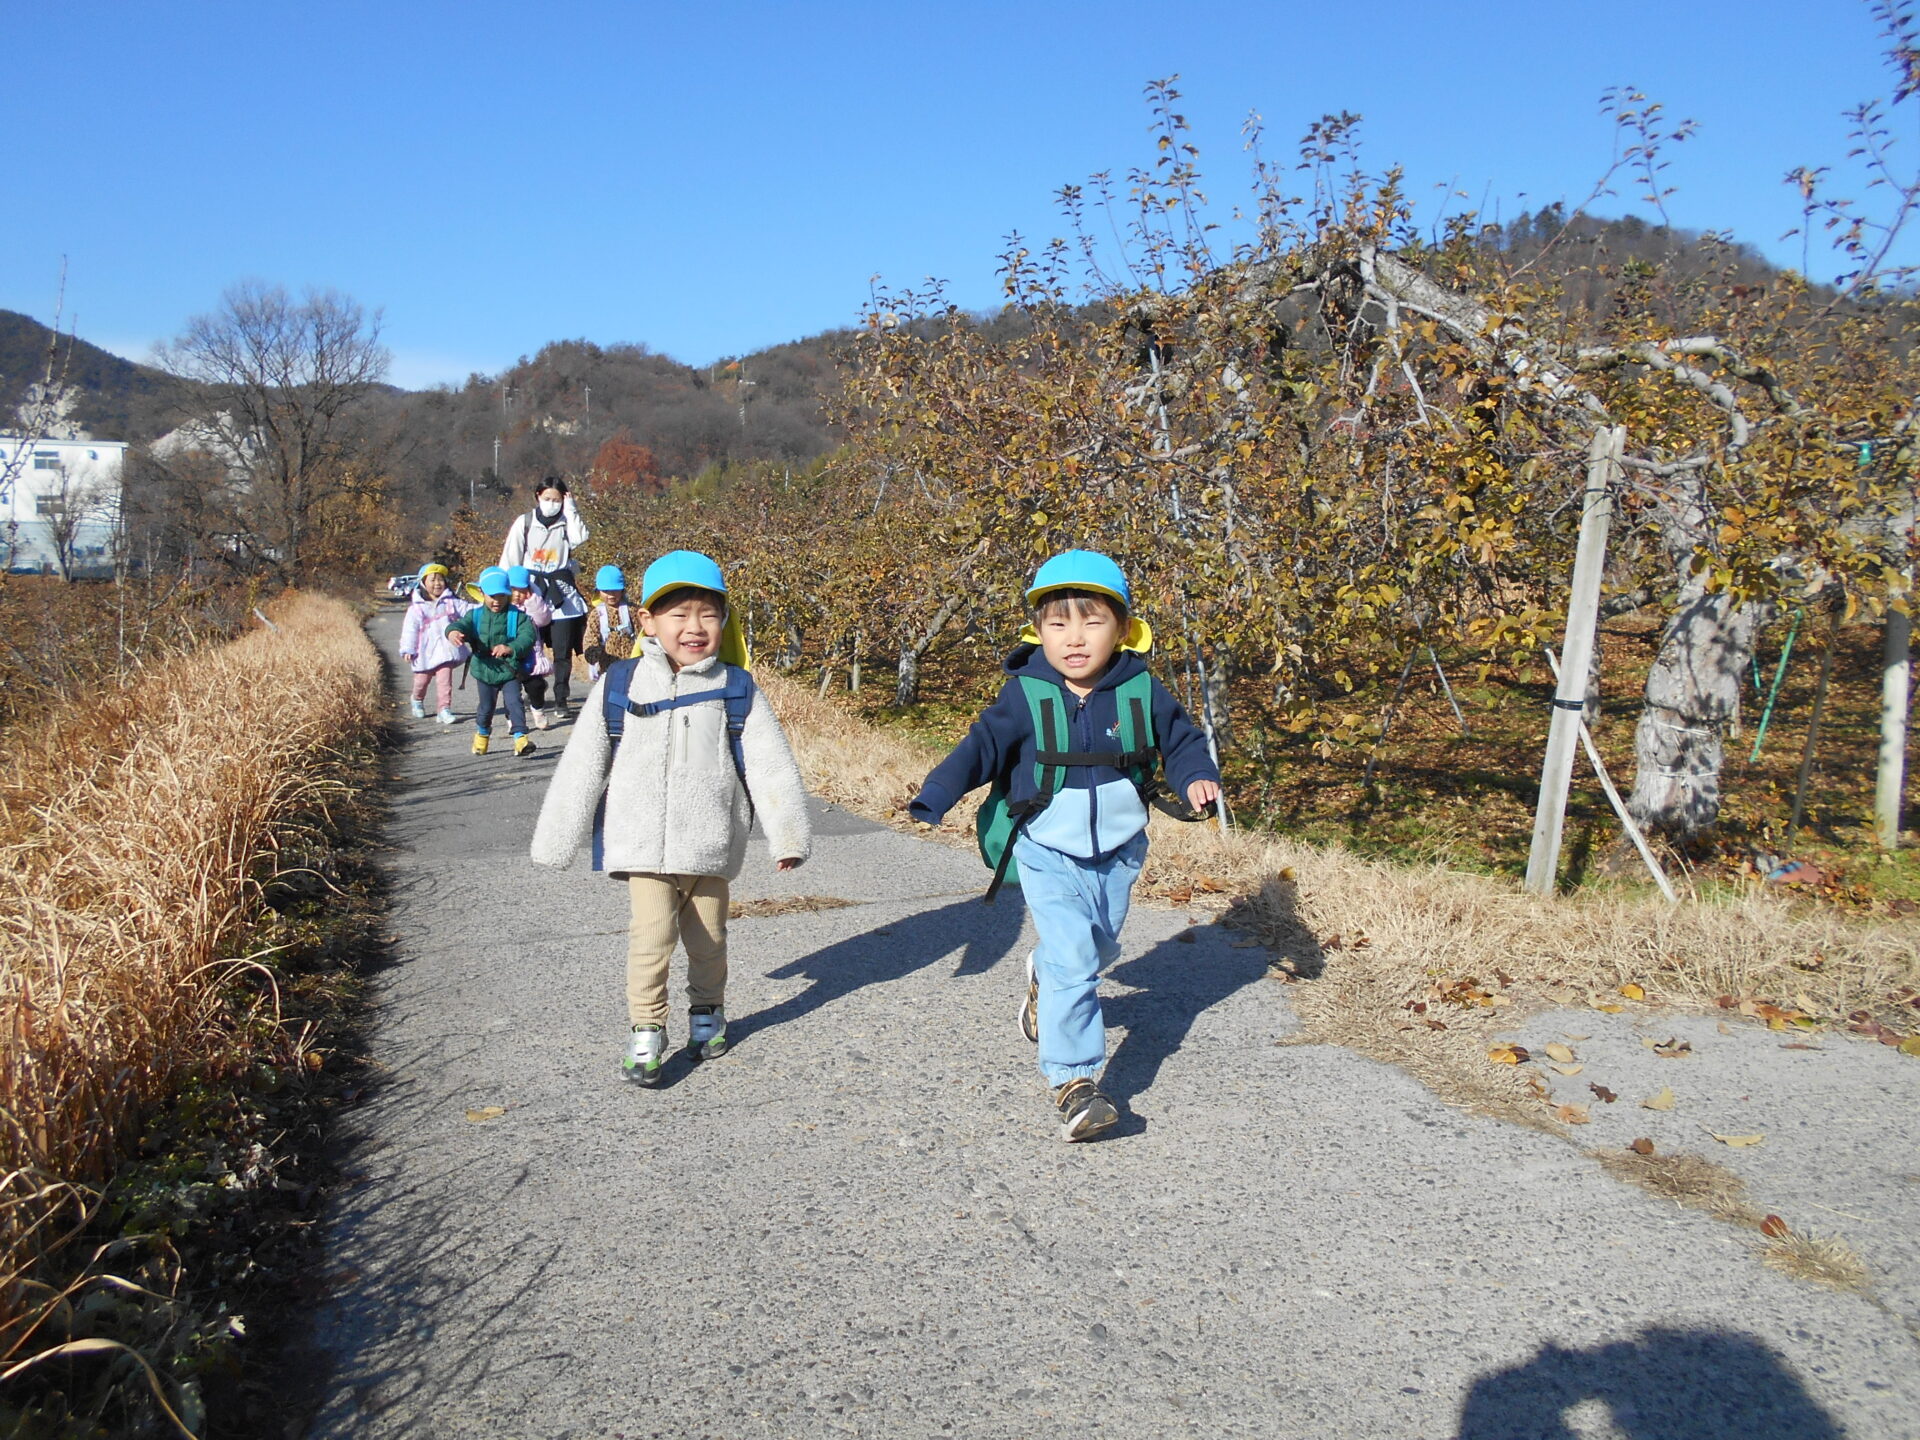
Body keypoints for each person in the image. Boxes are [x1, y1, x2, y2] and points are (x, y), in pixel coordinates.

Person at [907, 550, 1222, 1142]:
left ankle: (1044, 973)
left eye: (1092, 622)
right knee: (1077, 959)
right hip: (1045, 846)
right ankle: (1075, 1082)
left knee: (1096, 950)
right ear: (1039, 630)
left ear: (1122, 629)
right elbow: (980, 748)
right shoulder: (1025, 694)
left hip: (1120, 849)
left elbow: (1182, 741)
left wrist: (1196, 776)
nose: (1074, 638)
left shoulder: (1142, 690)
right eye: (1058, 624)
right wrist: (937, 792)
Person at [530, 550, 812, 1086]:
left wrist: (789, 836)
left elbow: (770, 766)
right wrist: (556, 841)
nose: (694, 627)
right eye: (678, 614)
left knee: (708, 941)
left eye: (708, 614)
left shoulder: (736, 688)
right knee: (650, 938)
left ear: (724, 620)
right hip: (641, 845)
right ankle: (647, 1028)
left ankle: (707, 1011)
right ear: (648, 621)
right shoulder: (621, 684)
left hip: (710, 845)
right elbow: (584, 764)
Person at [499, 477, 589, 719]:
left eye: (557, 500)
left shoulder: (566, 521)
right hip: (531, 592)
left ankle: (561, 698)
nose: (551, 504)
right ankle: (529, 693)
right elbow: (510, 558)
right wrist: (509, 590)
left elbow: (580, 538)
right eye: (547, 498)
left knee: (562, 651)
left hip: (562, 593)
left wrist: (571, 509)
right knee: (526, 646)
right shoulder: (525, 522)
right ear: (538, 496)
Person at [446, 565, 537, 757]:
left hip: (509, 669)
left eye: (502, 595)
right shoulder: (475, 616)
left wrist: (510, 648)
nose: (497, 601)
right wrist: (453, 632)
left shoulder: (517, 616)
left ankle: (521, 739)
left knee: (514, 703)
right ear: (482, 593)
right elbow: (461, 624)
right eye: (492, 596)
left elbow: (528, 637)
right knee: (486, 707)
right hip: (484, 669)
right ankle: (482, 734)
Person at [397, 563, 469, 724]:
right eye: (433, 580)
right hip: (424, 653)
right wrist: (408, 649)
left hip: (446, 651)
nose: (437, 583)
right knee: (421, 682)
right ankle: (417, 699)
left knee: (445, 682)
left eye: (440, 579)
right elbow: (410, 630)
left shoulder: (451, 602)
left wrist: (485, 607)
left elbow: (468, 610)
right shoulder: (416, 608)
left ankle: (444, 709)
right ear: (423, 583)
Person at [507, 565, 557, 729]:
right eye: (513, 590)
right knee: (511, 690)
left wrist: (532, 601)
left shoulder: (532, 605)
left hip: (531, 656)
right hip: (509, 656)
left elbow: (544, 620)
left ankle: (538, 710)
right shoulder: (503, 607)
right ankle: (512, 719)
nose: (517, 595)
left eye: (521, 591)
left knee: (536, 686)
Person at [582, 563, 639, 677]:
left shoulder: (632, 610)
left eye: (615, 590)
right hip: (607, 667)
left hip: (632, 663)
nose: (611, 595)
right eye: (606, 591)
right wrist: (592, 651)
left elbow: (641, 631)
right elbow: (591, 636)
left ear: (622, 590)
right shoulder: (597, 614)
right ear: (598, 591)